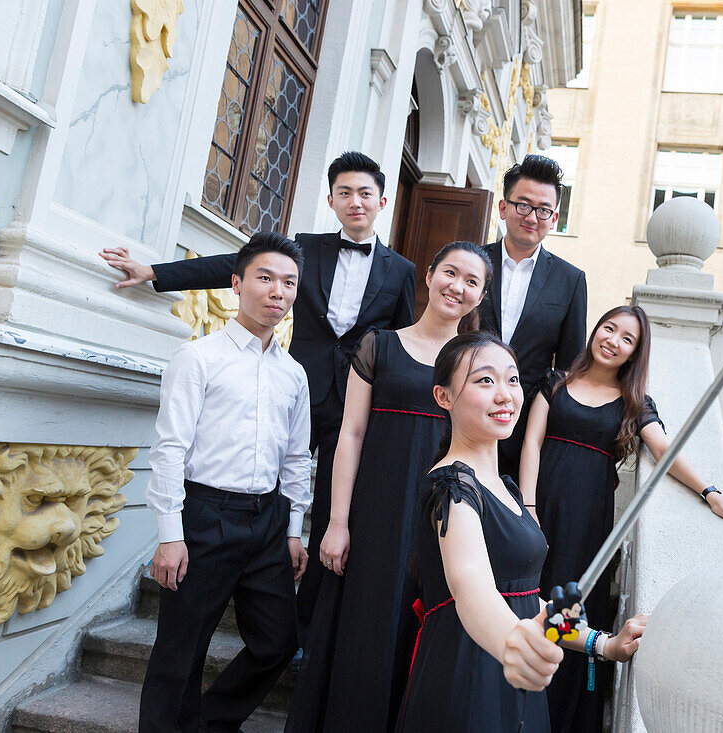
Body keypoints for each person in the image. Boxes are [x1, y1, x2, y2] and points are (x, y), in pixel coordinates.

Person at [100, 151, 417, 633]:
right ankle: (247, 577)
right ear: (331, 199)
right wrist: (157, 274)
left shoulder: (402, 270)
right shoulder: (304, 249)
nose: (356, 202)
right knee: (265, 486)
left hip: (354, 406)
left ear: (382, 201)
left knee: (335, 512)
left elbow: (403, 340)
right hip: (291, 386)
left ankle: (308, 625)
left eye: (365, 193)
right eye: (345, 193)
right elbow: (236, 265)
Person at [287, 241, 493, 732]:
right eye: (450, 273)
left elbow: (487, 446)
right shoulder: (378, 344)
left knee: (424, 632)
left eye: (471, 282)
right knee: (363, 631)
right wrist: (335, 523)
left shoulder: (480, 363)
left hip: (443, 517)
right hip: (374, 512)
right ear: (428, 274)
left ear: (480, 296)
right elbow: (350, 436)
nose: (456, 287)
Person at [399, 331, 648, 732]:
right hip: (469, 675)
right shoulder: (452, 487)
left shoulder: (506, 487)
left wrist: (603, 644)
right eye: (484, 380)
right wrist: (512, 643)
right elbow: (470, 585)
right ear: (444, 397)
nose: (505, 395)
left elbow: (526, 602)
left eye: (512, 379)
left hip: (516, 676)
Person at [518, 305, 723, 733]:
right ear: (595, 331)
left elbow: (664, 451)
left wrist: (710, 492)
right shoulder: (555, 382)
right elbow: (531, 443)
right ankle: (515, 704)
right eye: (609, 329)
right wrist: (528, 509)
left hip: (588, 528)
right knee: (527, 599)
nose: (614, 341)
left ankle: (553, 715)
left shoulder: (634, 402)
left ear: (634, 354)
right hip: (538, 512)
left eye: (628, 339)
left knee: (567, 609)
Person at [139, 233, 312, 733]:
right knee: (180, 651)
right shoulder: (198, 358)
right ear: (236, 284)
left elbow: (297, 457)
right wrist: (171, 534)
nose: (276, 291)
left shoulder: (293, 374)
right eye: (264, 278)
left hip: (268, 521)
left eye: (288, 283)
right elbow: (170, 448)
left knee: (278, 643)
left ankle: (212, 722)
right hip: (206, 516)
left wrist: (293, 529)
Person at [479, 155, 588, 480]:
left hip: (523, 428)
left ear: (554, 217)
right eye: (522, 205)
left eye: (543, 210)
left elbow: (569, 366)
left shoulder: (570, 280)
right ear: (503, 208)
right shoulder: (471, 261)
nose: (532, 216)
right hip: (459, 413)